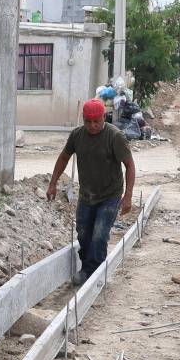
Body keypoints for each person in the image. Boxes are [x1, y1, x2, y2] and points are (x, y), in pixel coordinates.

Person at [46, 99, 136, 284]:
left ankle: (92, 274)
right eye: (88, 121)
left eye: (96, 121)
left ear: (104, 117)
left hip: (110, 196)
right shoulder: (77, 136)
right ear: (83, 119)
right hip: (87, 195)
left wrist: (128, 196)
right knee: (83, 233)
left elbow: (129, 165)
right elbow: (64, 157)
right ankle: (89, 268)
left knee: (99, 235)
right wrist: (53, 183)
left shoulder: (114, 136)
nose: (92, 125)